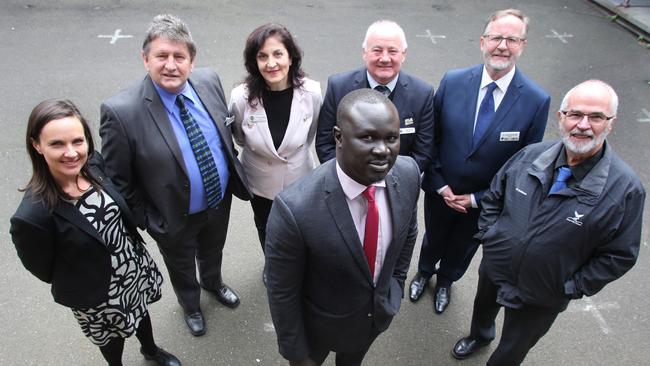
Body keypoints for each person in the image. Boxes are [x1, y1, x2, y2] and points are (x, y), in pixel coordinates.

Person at [451, 80, 645, 365]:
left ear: (610, 124)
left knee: (515, 346)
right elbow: (494, 195)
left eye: (596, 117)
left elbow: (620, 255)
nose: (583, 125)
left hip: (545, 291)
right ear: (561, 117)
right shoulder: (530, 155)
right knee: (483, 309)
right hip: (497, 265)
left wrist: (571, 286)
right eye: (575, 114)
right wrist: (490, 237)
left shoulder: (625, 189)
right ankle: (480, 336)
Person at [99, 14, 251, 337]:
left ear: (192, 62)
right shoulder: (121, 113)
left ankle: (213, 282)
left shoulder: (209, 81)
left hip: (217, 201)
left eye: (179, 56)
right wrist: (151, 222)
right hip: (171, 216)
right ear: (145, 58)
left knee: (213, 249)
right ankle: (191, 305)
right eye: (161, 56)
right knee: (181, 265)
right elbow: (118, 181)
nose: (171, 65)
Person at [9, 99, 181, 366]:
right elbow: (42, 268)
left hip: (130, 266)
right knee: (111, 337)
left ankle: (150, 350)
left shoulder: (93, 165)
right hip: (94, 290)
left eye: (78, 141)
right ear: (36, 145)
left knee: (139, 312)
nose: (71, 153)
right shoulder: (32, 217)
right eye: (57, 144)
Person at [265, 89, 421, 366]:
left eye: (392, 138)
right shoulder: (294, 208)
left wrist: (395, 283)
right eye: (368, 137)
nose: (383, 150)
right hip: (318, 329)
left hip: (374, 319)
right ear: (339, 137)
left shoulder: (408, 174)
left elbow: (408, 232)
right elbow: (282, 292)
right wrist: (297, 356)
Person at [410, 9, 550, 314]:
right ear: (482, 42)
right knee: (433, 236)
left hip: (483, 202)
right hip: (441, 190)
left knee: (463, 247)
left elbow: (524, 166)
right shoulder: (453, 81)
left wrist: (477, 199)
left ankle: (446, 280)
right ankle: (424, 271)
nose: (502, 45)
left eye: (511, 39)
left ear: (522, 45)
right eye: (496, 37)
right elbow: (431, 138)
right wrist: (439, 184)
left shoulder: (536, 100)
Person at [229, 23, 321, 255]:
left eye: (278, 54)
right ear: (254, 63)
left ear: (291, 57)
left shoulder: (312, 93)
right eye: (262, 57)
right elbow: (240, 138)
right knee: (265, 227)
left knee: (300, 229)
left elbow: (310, 134)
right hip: (259, 180)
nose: (271, 63)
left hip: (299, 179)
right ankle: (272, 264)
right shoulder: (241, 97)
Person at [315, 19, 434, 172]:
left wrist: (387, 183)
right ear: (364, 53)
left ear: (403, 55)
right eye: (377, 50)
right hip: (347, 183)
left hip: (397, 187)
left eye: (392, 51)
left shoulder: (422, 94)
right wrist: (348, 179)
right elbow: (326, 143)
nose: (385, 58)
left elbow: (423, 152)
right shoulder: (338, 87)